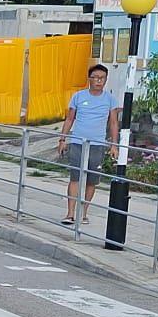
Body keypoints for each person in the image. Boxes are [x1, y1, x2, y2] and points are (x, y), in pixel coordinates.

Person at [58, 63, 121, 225]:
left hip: (97, 144)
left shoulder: (110, 99)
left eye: (102, 78)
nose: (99, 81)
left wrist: (114, 145)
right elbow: (70, 119)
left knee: (92, 180)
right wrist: (63, 139)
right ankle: (70, 213)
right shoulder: (78, 96)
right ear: (89, 79)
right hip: (78, 142)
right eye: (96, 78)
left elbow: (113, 123)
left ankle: (83, 212)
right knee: (75, 177)